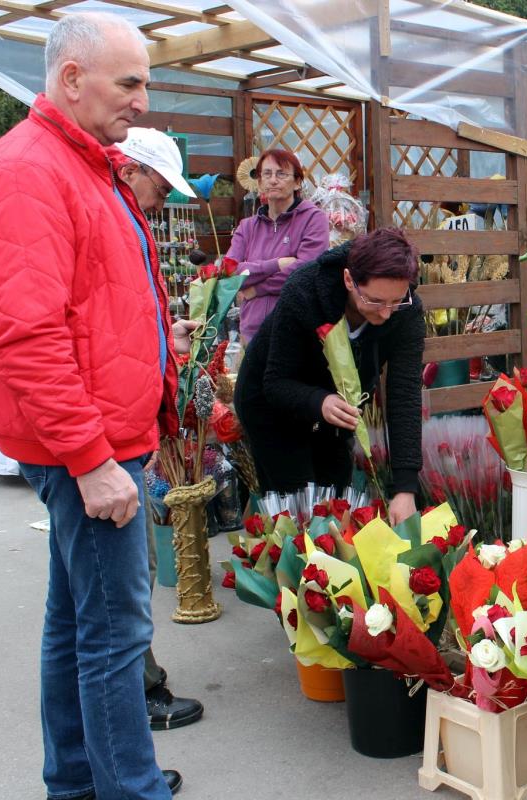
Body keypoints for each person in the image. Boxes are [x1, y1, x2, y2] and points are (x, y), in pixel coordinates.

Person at [0, 12, 183, 799]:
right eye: (131, 83)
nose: (143, 101)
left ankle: (81, 783)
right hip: (84, 449)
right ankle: (129, 788)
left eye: (145, 82)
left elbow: (102, 312)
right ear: (71, 79)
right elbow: (26, 339)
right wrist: (93, 458)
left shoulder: (81, 166)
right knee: (115, 635)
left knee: (77, 627)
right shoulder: (29, 174)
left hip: (101, 440)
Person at [234, 228, 425, 526]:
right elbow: (276, 381)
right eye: (376, 301)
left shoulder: (408, 311)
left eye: (396, 301)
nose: (388, 313)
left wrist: (405, 487)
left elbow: (404, 393)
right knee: (301, 516)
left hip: (337, 412)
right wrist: (319, 401)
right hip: (272, 405)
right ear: (349, 280)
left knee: (337, 509)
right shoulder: (305, 290)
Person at [113, 126, 206, 733]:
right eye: (158, 186)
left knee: (114, 583)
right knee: (123, 582)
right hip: (107, 437)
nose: (160, 202)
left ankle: (134, 691)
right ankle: (136, 699)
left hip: (121, 427)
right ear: (130, 170)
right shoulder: (114, 220)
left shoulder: (125, 219)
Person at [228, 147, 330, 342]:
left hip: (294, 331)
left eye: (281, 174)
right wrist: (277, 264)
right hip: (251, 331)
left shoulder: (313, 219)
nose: (273, 180)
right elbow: (231, 271)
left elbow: (306, 272)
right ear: (259, 182)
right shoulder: (247, 227)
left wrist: (257, 289)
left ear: (297, 182)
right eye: (267, 174)